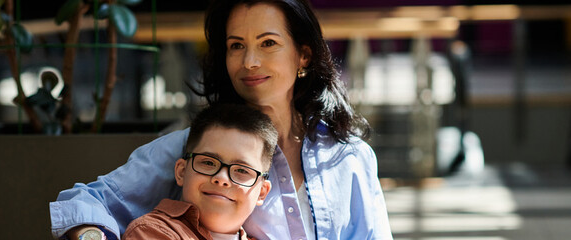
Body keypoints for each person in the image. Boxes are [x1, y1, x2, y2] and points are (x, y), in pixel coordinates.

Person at [50, 0, 392, 239]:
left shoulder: (350, 157)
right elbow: (87, 201)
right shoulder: (195, 149)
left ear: (303, 55)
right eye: (236, 46)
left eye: (268, 43)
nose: (250, 62)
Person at [123, 104, 277, 240]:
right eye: (208, 162)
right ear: (181, 172)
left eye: (242, 170)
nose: (222, 178)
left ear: (262, 192)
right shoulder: (152, 232)